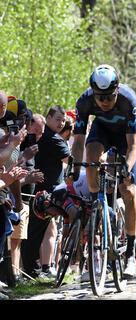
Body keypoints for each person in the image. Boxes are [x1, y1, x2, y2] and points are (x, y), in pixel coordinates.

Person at [71, 64, 136, 278]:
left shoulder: (128, 100)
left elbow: (133, 145)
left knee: (128, 190)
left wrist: (127, 169)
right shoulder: (84, 101)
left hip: (126, 138)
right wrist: (75, 166)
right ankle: (97, 203)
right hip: (101, 132)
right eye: (99, 97)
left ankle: (130, 255)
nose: (103, 102)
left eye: (108, 97)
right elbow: (79, 140)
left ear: (117, 90)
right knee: (91, 155)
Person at [21, 106, 70, 278]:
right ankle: (31, 271)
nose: (61, 123)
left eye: (63, 120)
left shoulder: (51, 137)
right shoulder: (54, 139)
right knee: (36, 232)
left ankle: (34, 270)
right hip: (47, 193)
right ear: (48, 118)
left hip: (47, 190)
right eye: (57, 119)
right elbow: (69, 160)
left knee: (41, 231)